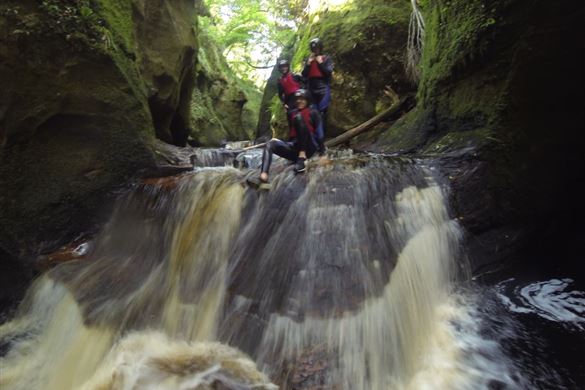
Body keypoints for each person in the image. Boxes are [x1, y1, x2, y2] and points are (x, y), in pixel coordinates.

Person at [258, 89, 325, 183]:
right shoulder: (292, 113)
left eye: (302, 99)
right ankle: (263, 175)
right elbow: (293, 134)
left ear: (307, 100)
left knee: (298, 118)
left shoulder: (314, 112)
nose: (299, 101)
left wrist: (322, 152)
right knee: (271, 144)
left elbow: (320, 133)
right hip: (295, 147)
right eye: (298, 99)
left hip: (309, 147)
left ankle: (302, 157)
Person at [302, 37, 333, 137]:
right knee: (312, 114)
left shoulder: (326, 58)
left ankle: (322, 139)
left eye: (317, 48)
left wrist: (321, 63)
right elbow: (304, 74)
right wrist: (307, 65)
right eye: (314, 48)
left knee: (322, 113)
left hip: (323, 88)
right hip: (311, 88)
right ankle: (314, 138)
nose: (315, 50)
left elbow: (328, 73)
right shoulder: (309, 59)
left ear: (320, 48)